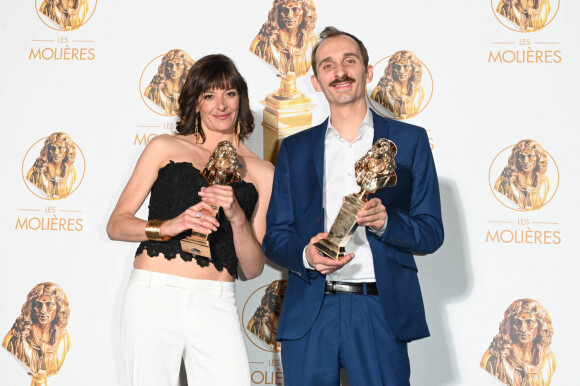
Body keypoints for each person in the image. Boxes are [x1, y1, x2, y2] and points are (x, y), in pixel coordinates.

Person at [263, 27, 444, 385]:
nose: (340, 72)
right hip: (311, 309)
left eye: (350, 61)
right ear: (316, 81)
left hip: (379, 308)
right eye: (328, 65)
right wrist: (306, 255)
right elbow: (275, 236)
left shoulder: (410, 141)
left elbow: (431, 232)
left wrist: (386, 223)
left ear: (368, 71)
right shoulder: (295, 149)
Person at [107, 54, 274, 386]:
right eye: (208, 95)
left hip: (216, 300)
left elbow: (253, 268)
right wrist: (168, 227)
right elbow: (117, 224)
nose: (220, 104)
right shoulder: (164, 147)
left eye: (229, 93)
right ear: (195, 103)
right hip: (154, 295)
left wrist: (237, 217)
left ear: (240, 98)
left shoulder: (262, 172)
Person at [2, 282, 71, 385]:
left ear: (59, 308)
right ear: (31, 307)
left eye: (49, 304)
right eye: (38, 305)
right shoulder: (18, 338)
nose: (43, 311)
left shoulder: (63, 339)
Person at [481, 298, 556, 385]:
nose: (523, 328)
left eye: (530, 322)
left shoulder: (548, 359)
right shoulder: (498, 361)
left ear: (541, 325)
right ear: (510, 325)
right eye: (517, 322)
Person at [250, 0, 317, 78]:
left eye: (295, 10)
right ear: (278, 13)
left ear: (305, 12)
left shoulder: (311, 42)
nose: (289, 15)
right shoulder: (267, 43)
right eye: (285, 10)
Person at [494, 139, 550, 211]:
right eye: (522, 156)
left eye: (530, 156)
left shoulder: (544, 182)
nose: (525, 161)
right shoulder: (507, 183)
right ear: (516, 159)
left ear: (538, 158)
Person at [371, 50, 424, 119]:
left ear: (414, 68)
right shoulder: (383, 91)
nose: (401, 71)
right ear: (392, 69)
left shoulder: (419, 90)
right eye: (397, 67)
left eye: (405, 66)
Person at [27, 132, 78, 200]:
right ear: (48, 150)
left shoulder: (71, 172)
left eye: (60, 148)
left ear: (68, 150)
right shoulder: (38, 171)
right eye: (53, 148)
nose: (56, 153)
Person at [144, 49, 195, 115]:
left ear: (185, 66)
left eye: (178, 64)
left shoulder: (190, 89)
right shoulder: (157, 91)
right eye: (170, 65)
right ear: (165, 67)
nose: (174, 69)